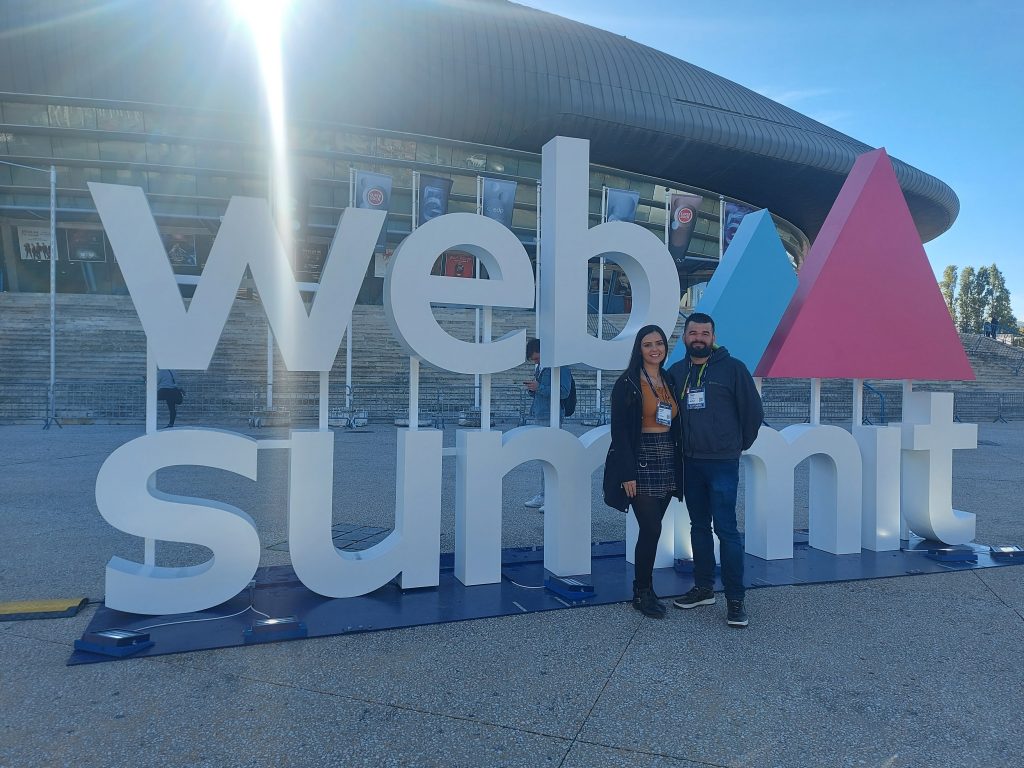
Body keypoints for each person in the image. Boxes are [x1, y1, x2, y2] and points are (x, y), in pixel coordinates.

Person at [667, 312, 762, 628]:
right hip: (690, 462)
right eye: (693, 332)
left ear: (713, 336)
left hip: (722, 462)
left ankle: (736, 600)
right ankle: (704, 587)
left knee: (726, 529)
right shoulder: (677, 372)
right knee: (698, 526)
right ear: (684, 337)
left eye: (704, 333)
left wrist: (734, 445)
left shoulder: (733, 369)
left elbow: (752, 413)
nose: (698, 338)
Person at [603, 325, 683, 618]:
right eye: (648, 344)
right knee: (651, 529)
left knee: (653, 529)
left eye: (659, 343)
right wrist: (627, 473)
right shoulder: (627, 383)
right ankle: (642, 591)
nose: (654, 349)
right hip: (641, 459)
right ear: (639, 348)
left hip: (667, 457)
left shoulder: (669, 379)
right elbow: (620, 432)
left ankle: (646, 587)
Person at [522, 338, 572, 512]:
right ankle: (544, 495)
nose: (536, 362)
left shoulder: (560, 366)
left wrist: (540, 387)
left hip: (552, 416)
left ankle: (552, 497)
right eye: (534, 360)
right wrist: (533, 389)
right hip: (541, 415)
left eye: (537, 358)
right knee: (544, 459)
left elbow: (564, 392)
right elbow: (542, 393)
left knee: (552, 458)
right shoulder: (541, 367)